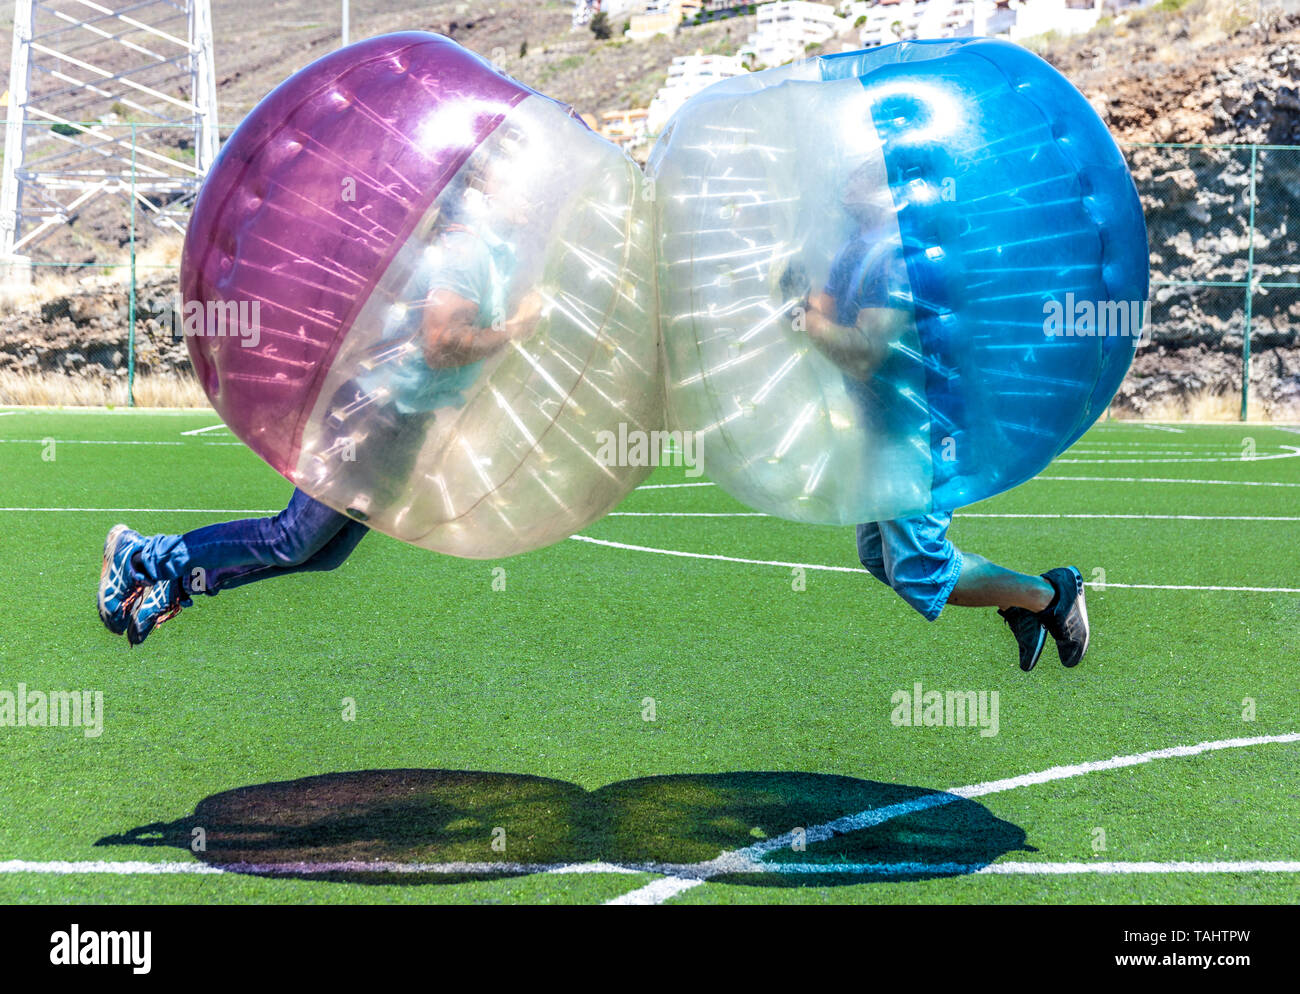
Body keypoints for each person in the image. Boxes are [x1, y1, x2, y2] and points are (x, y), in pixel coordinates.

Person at [98, 156, 544, 647]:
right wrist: (515, 330)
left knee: (324, 552)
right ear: (486, 190)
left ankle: (178, 581)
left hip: (406, 421)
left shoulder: (493, 256)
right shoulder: (466, 253)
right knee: (292, 538)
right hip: (374, 413)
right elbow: (441, 343)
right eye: (523, 182)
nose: (533, 193)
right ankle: (142, 556)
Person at [786, 165, 1089, 671]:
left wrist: (802, 317)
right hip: (881, 425)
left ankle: (1049, 595)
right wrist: (799, 298)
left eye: (870, 169)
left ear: (894, 189)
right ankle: (1021, 600)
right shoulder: (858, 248)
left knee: (919, 568)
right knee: (879, 558)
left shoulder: (900, 255)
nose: (849, 173)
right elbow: (825, 311)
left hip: (921, 425)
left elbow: (864, 353)